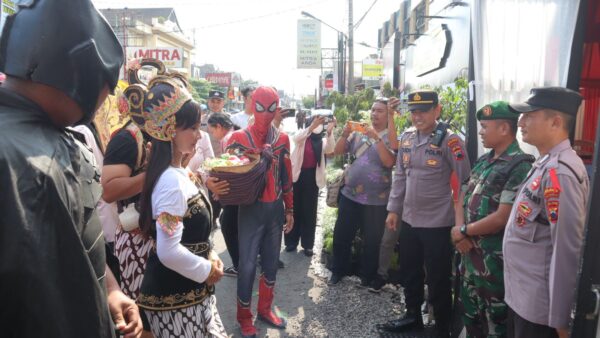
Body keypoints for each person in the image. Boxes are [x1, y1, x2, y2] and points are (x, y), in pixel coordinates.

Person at [0, 0, 142, 337]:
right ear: (81, 75)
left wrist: (109, 289)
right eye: (104, 95)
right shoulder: (17, 155)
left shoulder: (57, 138)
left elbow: (82, 237)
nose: (100, 107)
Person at [130, 77, 227, 338]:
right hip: (176, 301)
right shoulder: (171, 183)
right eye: (193, 128)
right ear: (171, 130)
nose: (199, 135)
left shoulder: (178, 172)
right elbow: (168, 251)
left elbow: (191, 235)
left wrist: (212, 255)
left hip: (189, 294)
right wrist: (207, 270)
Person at [377, 90, 471, 337]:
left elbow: (465, 182)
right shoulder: (408, 138)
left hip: (438, 223)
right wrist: (393, 210)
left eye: (424, 111)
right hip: (409, 219)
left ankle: (442, 326)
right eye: (414, 112)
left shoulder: (451, 141)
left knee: (439, 278)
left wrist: (460, 224)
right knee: (410, 271)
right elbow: (400, 177)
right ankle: (412, 316)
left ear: (437, 111)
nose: (417, 117)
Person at [503, 87, 588, 338]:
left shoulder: (560, 172)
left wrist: (562, 320)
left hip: (540, 312)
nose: (520, 122)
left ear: (556, 122)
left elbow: (566, 250)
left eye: (529, 115)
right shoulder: (545, 163)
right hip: (523, 298)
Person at [452, 101, 533, 337]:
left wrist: (464, 230)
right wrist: (459, 233)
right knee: (471, 320)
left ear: (504, 129)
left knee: (498, 325)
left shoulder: (520, 165)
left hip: (494, 267)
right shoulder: (483, 161)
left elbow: (503, 217)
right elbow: (462, 196)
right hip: (469, 259)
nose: (480, 132)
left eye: (485, 126)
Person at [220, 86, 294, 338]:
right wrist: (252, 156)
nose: (265, 113)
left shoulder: (282, 139)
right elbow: (225, 169)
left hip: (274, 209)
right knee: (247, 265)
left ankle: (264, 309)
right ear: (252, 105)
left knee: (271, 264)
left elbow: (286, 177)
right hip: (250, 209)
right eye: (260, 107)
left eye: (271, 108)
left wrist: (290, 209)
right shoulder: (238, 138)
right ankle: (244, 316)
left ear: (277, 107)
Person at [328, 99, 396, 287]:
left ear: (388, 114)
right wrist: (344, 134)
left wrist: (376, 138)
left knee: (372, 241)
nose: (375, 114)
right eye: (373, 110)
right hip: (350, 195)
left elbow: (389, 162)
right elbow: (338, 152)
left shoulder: (392, 136)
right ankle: (337, 271)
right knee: (342, 236)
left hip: (377, 200)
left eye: (380, 111)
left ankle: (367, 276)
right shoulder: (359, 132)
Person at [285, 115, 335, 256]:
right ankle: (291, 242)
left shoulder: (322, 140)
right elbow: (296, 138)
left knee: (309, 211)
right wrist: (311, 127)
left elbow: (330, 149)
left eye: (320, 123)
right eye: (315, 122)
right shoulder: (304, 136)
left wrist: (330, 131)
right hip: (297, 177)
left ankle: (307, 245)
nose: (318, 126)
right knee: (294, 209)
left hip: (313, 178)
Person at [207, 112, 240, 276]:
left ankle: (239, 266)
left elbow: (230, 171)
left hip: (234, 193)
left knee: (227, 225)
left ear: (219, 126)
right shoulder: (237, 134)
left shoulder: (229, 139)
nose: (213, 135)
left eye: (212, 131)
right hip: (242, 193)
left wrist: (220, 193)